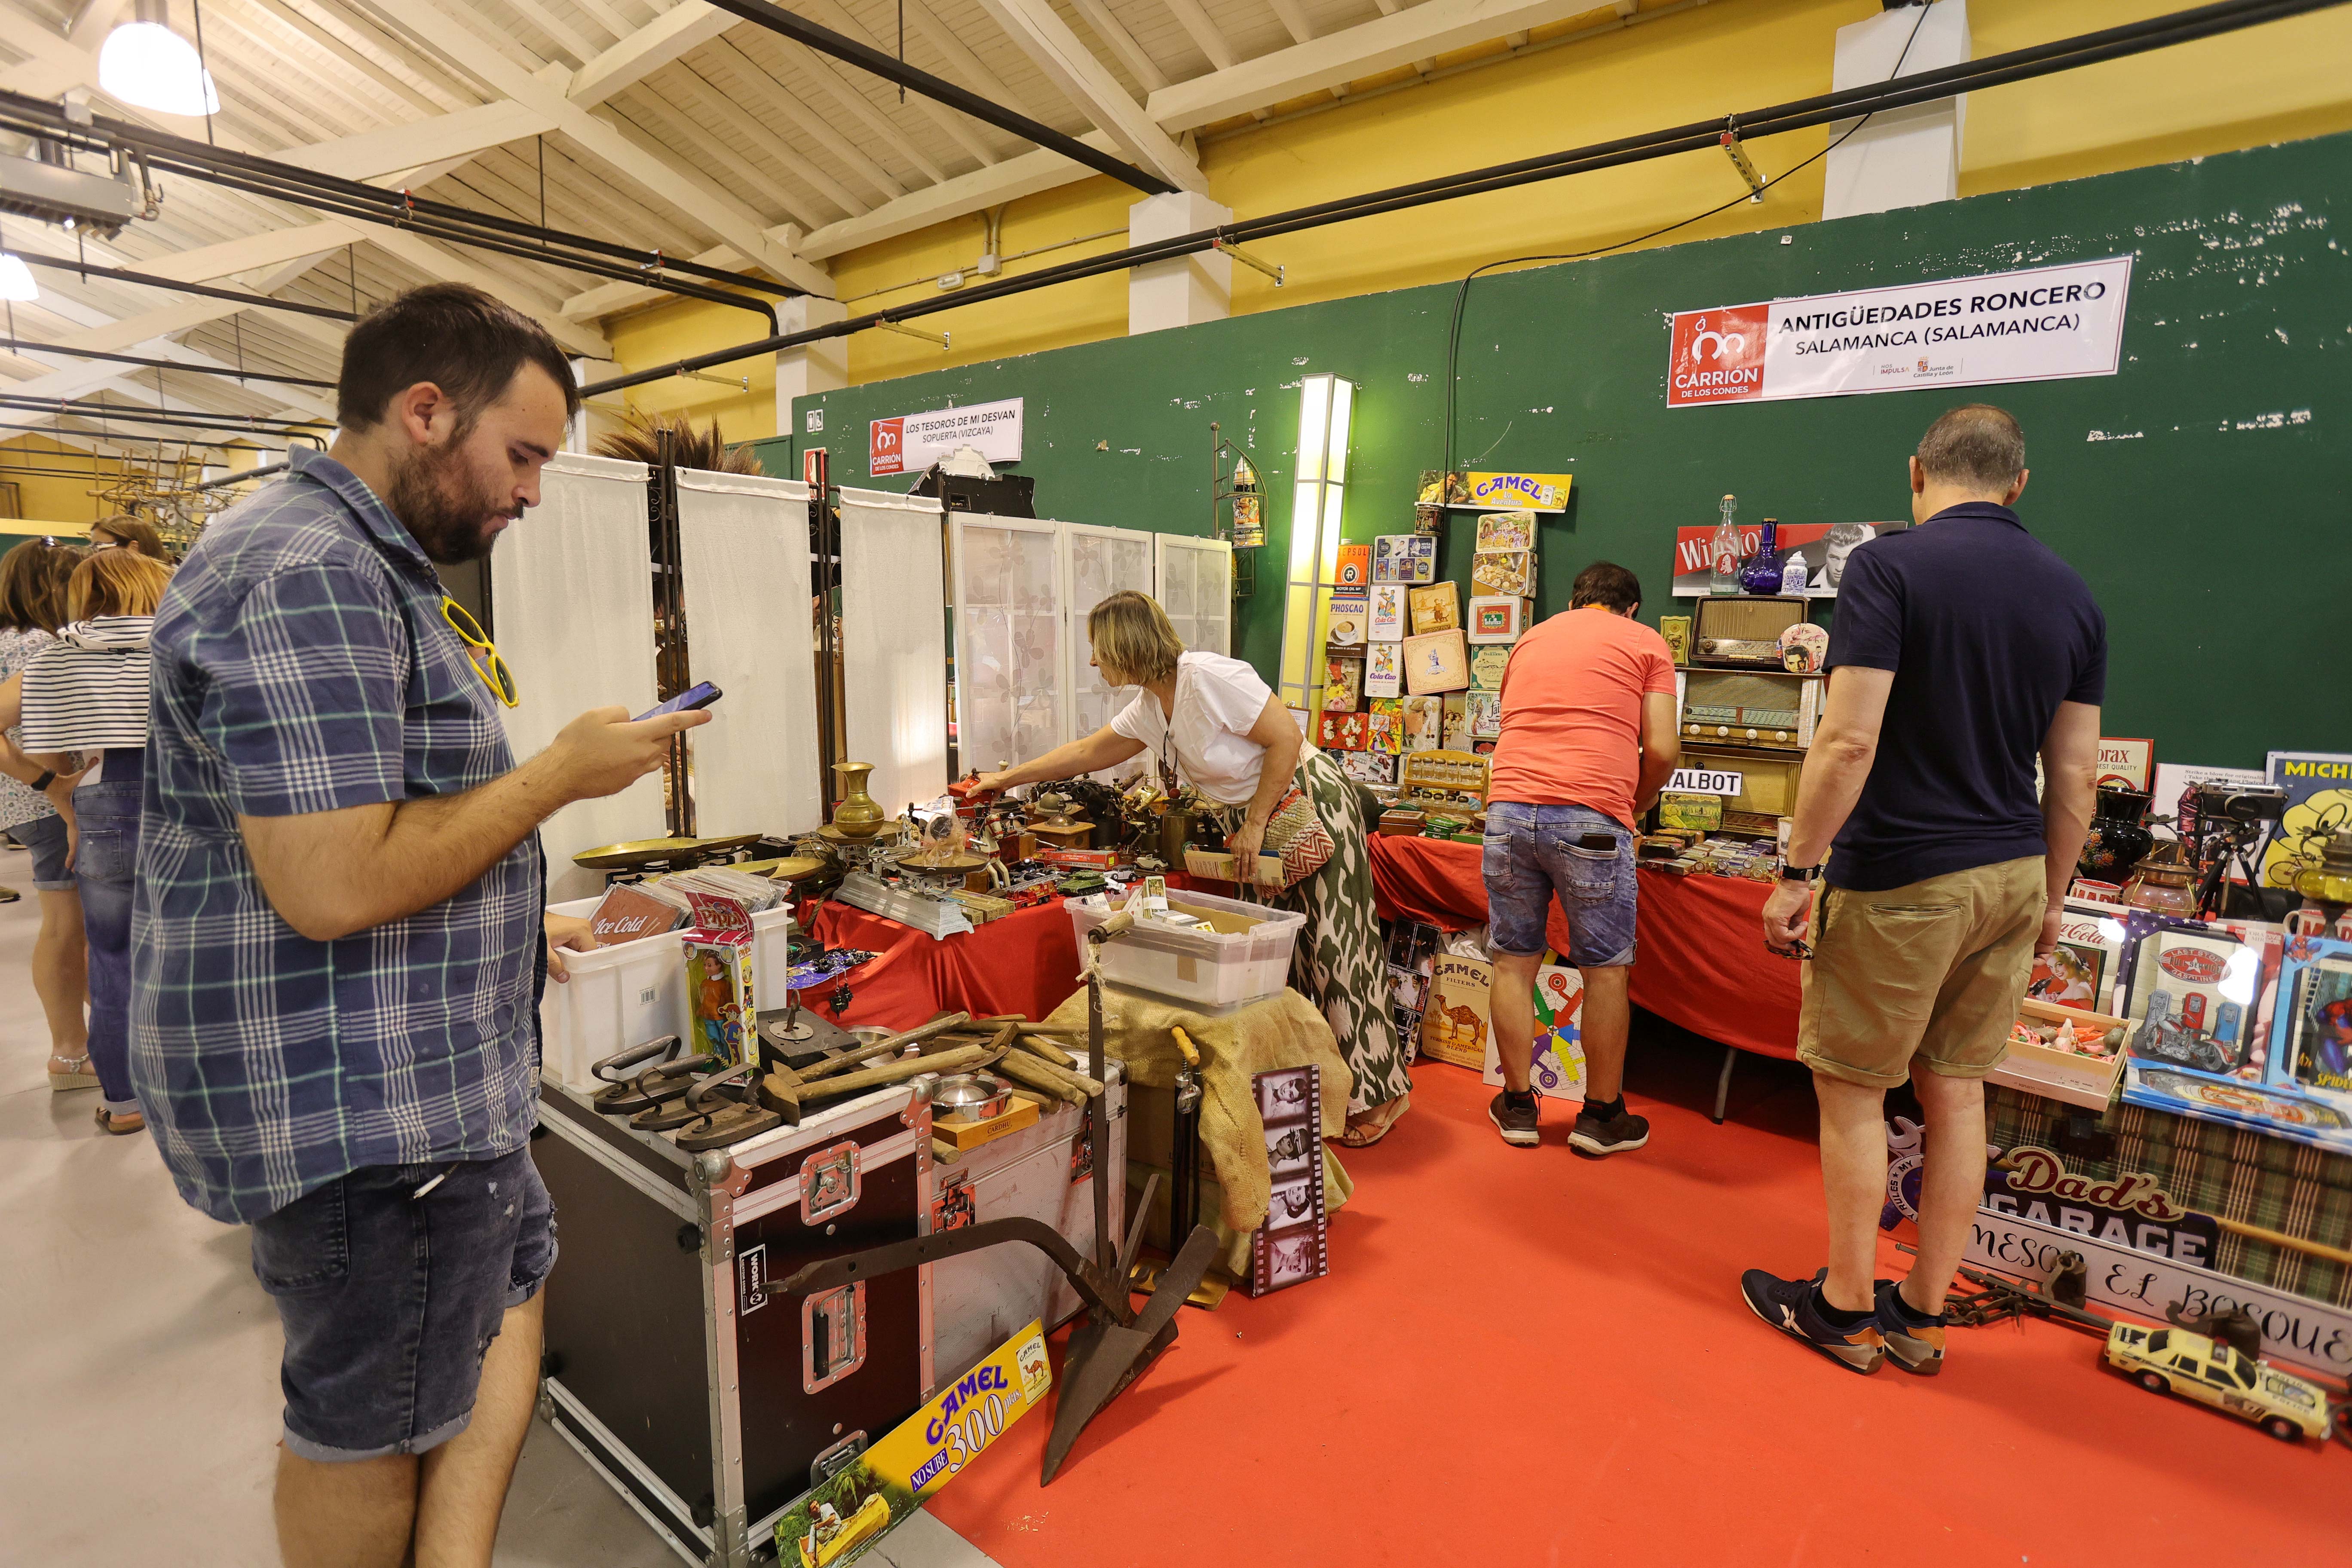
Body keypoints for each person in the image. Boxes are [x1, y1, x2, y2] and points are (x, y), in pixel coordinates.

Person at [131, 282, 710, 1568]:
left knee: (503, 1302)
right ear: (426, 410)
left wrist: (511, 932)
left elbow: (361, 828)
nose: (532, 494)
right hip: (369, 1117)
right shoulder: (313, 569)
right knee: (365, 1426)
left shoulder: (354, 564)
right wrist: (561, 771)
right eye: (522, 456)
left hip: (426, 1086)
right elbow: (334, 883)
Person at [1744, 404, 2104, 1376]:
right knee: (1956, 1091)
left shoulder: (1888, 567)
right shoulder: (2072, 595)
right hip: (2012, 875)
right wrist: (2054, 898)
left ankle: (1841, 1307)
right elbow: (2073, 776)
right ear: (2017, 483)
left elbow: (1849, 738)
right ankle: (1922, 1312)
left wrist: (1795, 871)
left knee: (1854, 1091)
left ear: (1916, 472)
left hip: (1904, 871)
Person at [972, 591, 1415, 1145]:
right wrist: (1006, 780)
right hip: (1260, 820)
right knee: (1287, 956)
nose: (1093, 661)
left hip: (1305, 804)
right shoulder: (1150, 708)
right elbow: (1087, 753)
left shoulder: (1208, 677)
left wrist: (1253, 824)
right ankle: (1324, 1092)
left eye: (1096, 648)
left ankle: (1383, 1092)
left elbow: (1286, 737)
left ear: (1122, 645)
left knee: (1334, 948)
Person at [1480, 562, 1680, 1156]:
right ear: (1633, 608)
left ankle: (1517, 1107)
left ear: (1575, 601)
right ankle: (1600, 1117)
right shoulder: (1647, 643)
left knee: (1514, 962)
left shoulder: (1531, 637)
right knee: (1605, 969)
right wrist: (1633, 808)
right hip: (1592, 819)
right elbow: (1664, 749)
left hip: (1509, 812)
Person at [8, 546, 173, 1133]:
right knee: (208, 949)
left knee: (113, 958)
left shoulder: (60, 654)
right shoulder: (187, 641)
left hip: (104, 800)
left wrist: (57, 787)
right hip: (190, 806)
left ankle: (127, 1102)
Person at [0, 540, 91, 1085]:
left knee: (66, 927)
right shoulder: (40, 647)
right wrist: (55, 785)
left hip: (25, 803)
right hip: (46, 802)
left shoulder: (9, 640)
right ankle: (72, 1051)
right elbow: (43, 733)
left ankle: (81, 1043)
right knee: (66, 929)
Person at [87, 512, 172, 559]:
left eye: (101, 548)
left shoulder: (165, 587)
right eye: (93, 548)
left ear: (134, 548)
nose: (93, 555)